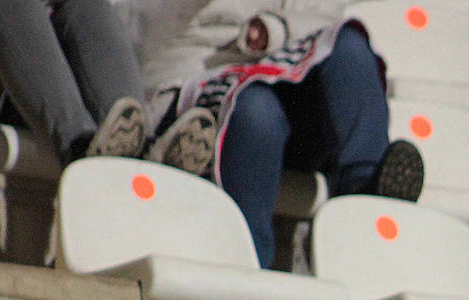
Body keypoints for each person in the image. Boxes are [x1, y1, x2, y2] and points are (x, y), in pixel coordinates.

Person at [141, 0, 423, 268]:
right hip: (212, 82)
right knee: (256, 110)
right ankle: (249, 262)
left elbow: (324, 14)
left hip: (291, 82)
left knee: (349, 45)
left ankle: (364, 197)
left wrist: (277, 29)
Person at [0, 0, 213, 171]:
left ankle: (139, 149)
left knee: (87, 6)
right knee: (7, 3)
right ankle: (81, 148)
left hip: (20, 73)